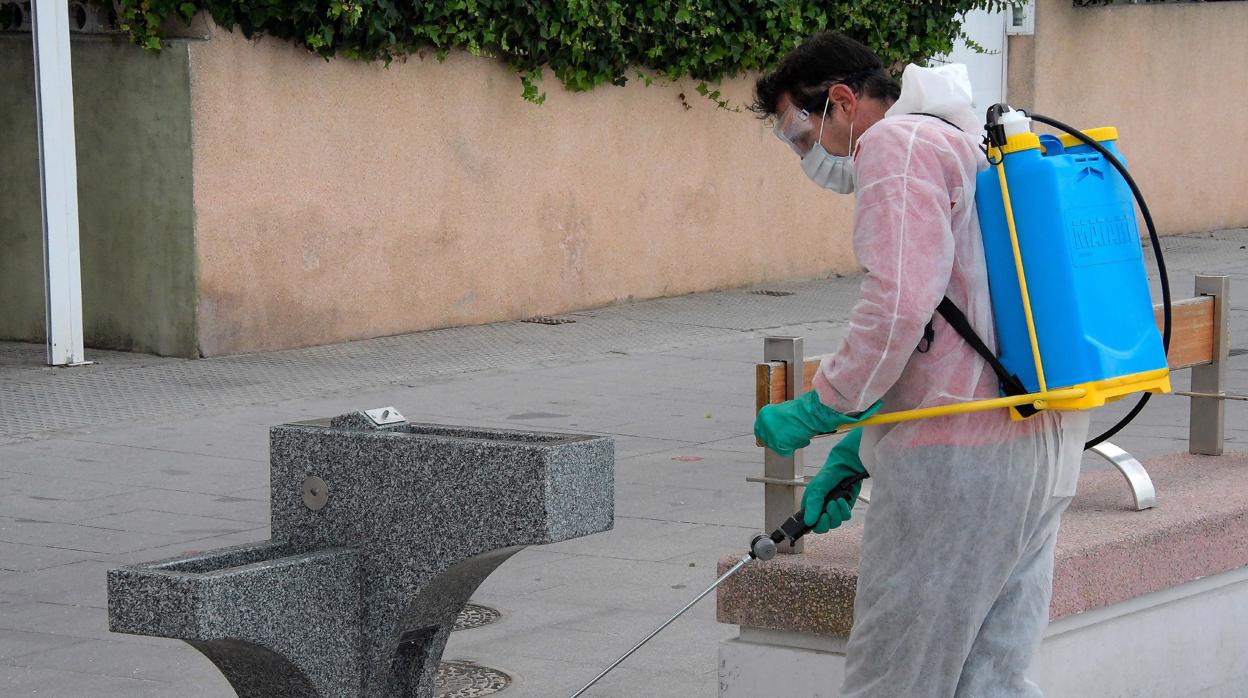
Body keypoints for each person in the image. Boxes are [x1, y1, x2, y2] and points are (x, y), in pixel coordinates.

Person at [751, 32, 1089, 697]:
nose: (805, 153)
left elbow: (901, 301)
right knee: (991, 678)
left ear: (843, 102)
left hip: (959, 468)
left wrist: (828, 402)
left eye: (800, 131)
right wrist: (864, 444)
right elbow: (966, 316)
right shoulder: (966, 142)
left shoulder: (895, 146)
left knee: (896, 677)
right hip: (1037, 449)